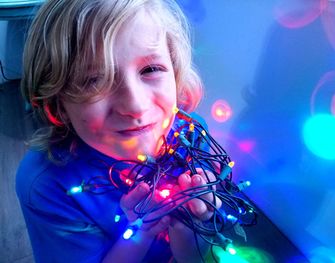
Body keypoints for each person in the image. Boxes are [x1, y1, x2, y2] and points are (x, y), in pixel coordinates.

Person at [16, 0, 219, 262]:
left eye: (150, 69)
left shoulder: (192, 135)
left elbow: (194, 257)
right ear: (59, 103)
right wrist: (141, 232)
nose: (135, 105)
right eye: (93, 81)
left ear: (176, 72)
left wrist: (189, 226)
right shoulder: (46, 183)